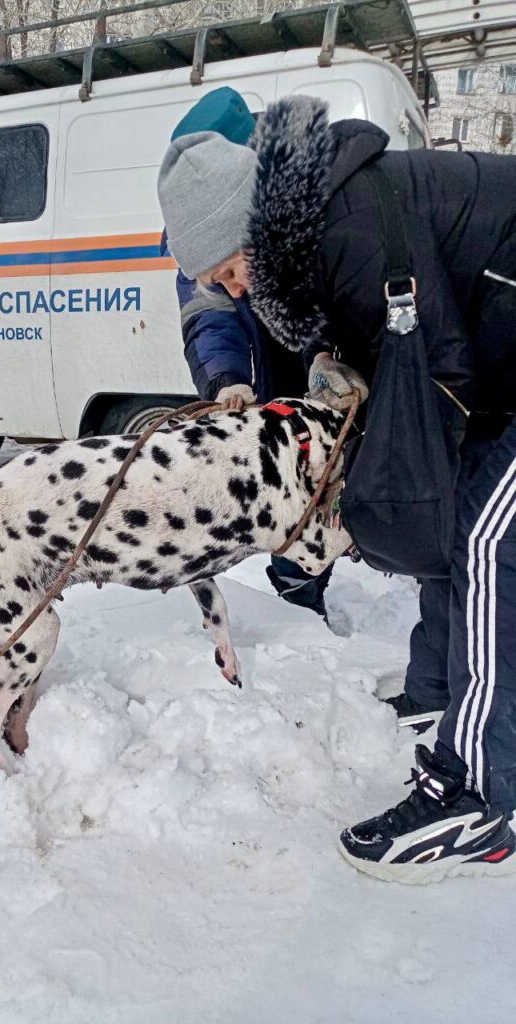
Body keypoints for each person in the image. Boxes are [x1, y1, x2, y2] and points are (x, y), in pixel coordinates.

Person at [157, 95, 516, 882]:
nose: (236, 292)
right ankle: (444, 688)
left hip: (497, 356)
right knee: (463, 522)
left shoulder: (347, 228)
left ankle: (484, 799)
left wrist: (376, 489)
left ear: (248, 232)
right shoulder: (311, 230)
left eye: (227, 271)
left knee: (488, 540)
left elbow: (434, 370)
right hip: (499, 350)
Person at [164, 88, 333, 621]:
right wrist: (227, 381)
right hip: (281, 369)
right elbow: (207, 312)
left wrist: (331, 358)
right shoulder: (207, 228)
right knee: (298, 483)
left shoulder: (310, 205)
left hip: (330, 360)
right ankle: (296, 600)